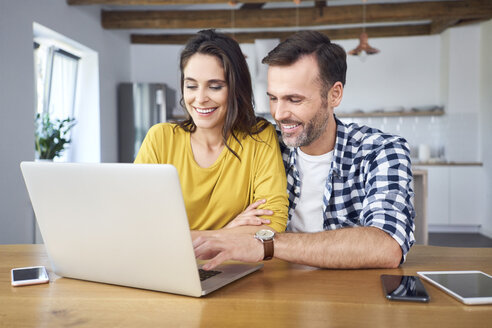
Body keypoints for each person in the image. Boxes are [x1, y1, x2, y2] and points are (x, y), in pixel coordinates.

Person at [193, 31, 415, 270]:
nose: (279, 114)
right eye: (273, 98)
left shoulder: (381, 151)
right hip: (274, 292)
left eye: (294, 100)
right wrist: (230, 231)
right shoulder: (263, 146)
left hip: (352, 296)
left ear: (334, 94)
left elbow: (387, 246)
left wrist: (266, 244)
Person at [134, 30, 288, 237]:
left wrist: (185, 237)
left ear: (235, 89)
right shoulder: (161, 139)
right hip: (168, 265)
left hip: (237, 265)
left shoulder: (259, 137)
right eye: (191, 86)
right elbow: (139, 224)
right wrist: (223, 233)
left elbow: (273, 222)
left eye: (215, 87)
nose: (200, 98)